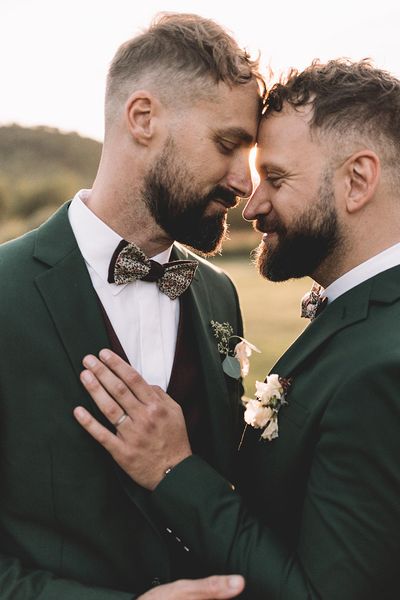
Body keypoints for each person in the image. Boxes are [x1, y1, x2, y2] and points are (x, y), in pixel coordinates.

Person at [76, 59, 400, 599]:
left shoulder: (384, 365)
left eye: (275, 178)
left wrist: (173, 469)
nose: (252, 204)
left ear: (358, 180)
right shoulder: (359, 317)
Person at [0, 12, 262, 599]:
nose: (245, 184)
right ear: (142, 118)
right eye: (227, 145)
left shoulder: (219, 295)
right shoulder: (5, 294)